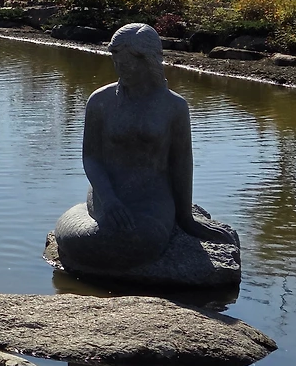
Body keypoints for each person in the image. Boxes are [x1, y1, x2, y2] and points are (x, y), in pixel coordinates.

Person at [53, 23, 229, 270]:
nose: (120, 69)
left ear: (148, 61)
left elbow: (181, 163)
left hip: (152, 196)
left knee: (142, 241)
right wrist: (109, 199)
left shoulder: (174, 107)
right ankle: (77, 219)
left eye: (127, 63)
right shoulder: (101, 101)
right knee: (87, 238)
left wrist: (186, 217)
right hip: (107, 192)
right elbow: (91, 158)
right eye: (116, 62)